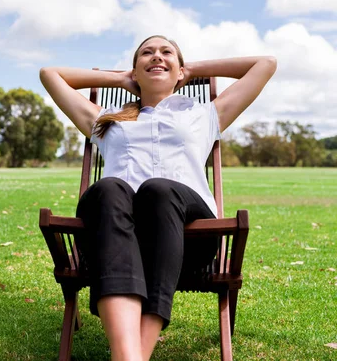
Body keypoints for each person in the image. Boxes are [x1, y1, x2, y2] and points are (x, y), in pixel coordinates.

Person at [39, 35, 277, 361]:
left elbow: (265, 65)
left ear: (180, 70)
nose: (157, 57)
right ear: (134, 71)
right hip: (113, 236)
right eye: (147, 54)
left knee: (158, 189)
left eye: (166, 53)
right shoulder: (106, 120)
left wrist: (190, 69)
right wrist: (121, 78)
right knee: (109, 188)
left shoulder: (205, 115)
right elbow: (49, 74)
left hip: (191, 238)